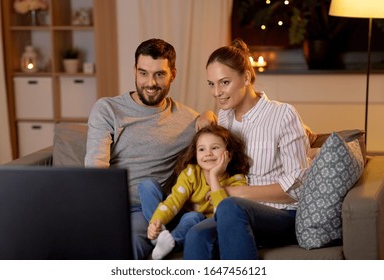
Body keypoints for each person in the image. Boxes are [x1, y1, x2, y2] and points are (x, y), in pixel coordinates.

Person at [84, 38, 216, 260]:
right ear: (134, 70)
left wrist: (209, 115)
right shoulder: (108, 109)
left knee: (139, 240)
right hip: (119, 205)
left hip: (158, 205)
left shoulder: (188, 120)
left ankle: (162, 236)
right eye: (143, 73)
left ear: (173, 74)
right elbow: (96, 166)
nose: (150, 83)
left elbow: (214, 145)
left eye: (159, 74)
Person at [183, 38, 310, 260]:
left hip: (283, 215)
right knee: (196, 235)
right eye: (211, 84)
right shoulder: (224, 117)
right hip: (233, 214)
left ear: (247, 77)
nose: (216, 92)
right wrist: (207, 115)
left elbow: (298, 187)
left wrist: (235, 193)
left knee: (231, 208)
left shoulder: (283, 115)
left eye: (224, 82)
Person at [138, 125, 250, 259]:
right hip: (175, 216)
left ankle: (171, 242)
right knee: (146, 185)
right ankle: (157, 233)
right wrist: (156, 222)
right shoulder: (191, 172)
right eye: (202, 149)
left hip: (194, 223)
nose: (208, 153)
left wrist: (214, 176)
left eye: (215, 148)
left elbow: (223, 214)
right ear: (196, 154)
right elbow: (174, 201)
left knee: (194, 216)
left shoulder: (237, 180)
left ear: (229, 154)